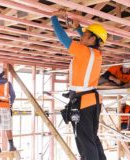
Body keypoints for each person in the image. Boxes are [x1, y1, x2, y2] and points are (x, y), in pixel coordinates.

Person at [51, 9, 107, 160]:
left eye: (86, 35)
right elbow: (87, 41)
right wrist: (78, 29)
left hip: (83, 102)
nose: (82, 38)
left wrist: (54, 18)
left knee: (85, 140)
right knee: (92, 138)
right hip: (92, 102)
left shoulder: (83, 52)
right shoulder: (96, 54)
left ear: (93, 39)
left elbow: (63, 38)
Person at [0, 65, 16, 153]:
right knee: (8, 128)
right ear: (2, 73)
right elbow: (13, 96)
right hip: (5, 107)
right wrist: (10, 104)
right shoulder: (8, 83)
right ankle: (11, 146)